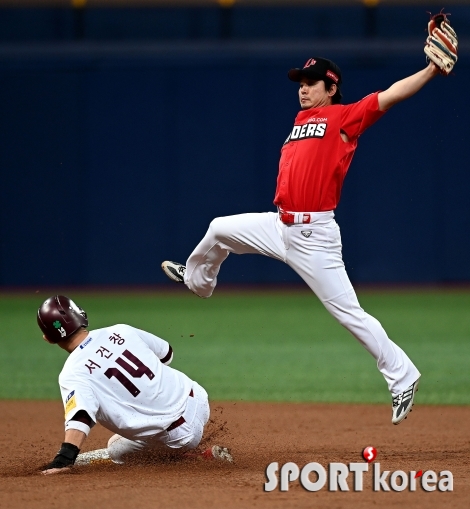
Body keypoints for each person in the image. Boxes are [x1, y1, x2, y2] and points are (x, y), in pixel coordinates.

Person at [161, 57, 444, 425]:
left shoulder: (343, 117)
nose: (303, 88)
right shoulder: (300, 121)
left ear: (331, 89)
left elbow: (389, 96)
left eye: (312, 83)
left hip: (315, 237)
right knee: (218, 229)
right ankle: (198, 282)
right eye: (301, 82)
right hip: (280, 226)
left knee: (349, 314)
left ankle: (402, 376)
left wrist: (430, 71)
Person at [37, 295, 232, 475]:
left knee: (115, 448)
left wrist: (64, 460)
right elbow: (167, 354)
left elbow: (81, 416)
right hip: (199, 399)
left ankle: (197, 458)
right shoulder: (121, 330)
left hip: (180, 437)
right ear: (80, 315)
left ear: (48, 338)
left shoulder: (73, 372)